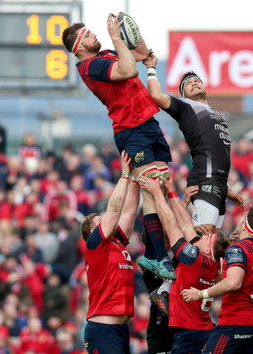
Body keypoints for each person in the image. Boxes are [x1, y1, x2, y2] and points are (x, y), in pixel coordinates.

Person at [62, 15, 174, 280]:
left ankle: (153, 253)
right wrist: (115, 36)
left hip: (148, 122)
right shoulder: (90, 66)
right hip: (130, 130)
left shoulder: (106, 54)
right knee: (151, 187)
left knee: (161, 184)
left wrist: (130, 28)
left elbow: (142, 54)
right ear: (79, 46)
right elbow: (129, 70)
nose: (94, 36)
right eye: (88, 35)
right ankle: (157, 256)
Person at [143, 54, 244, 234]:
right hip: (205, 181)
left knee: (213, 245)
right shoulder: (185, 106)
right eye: (189, 84)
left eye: (197, 81)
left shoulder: (216, 113)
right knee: (204, 240)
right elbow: (156, 95)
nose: (195, 83)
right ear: (183, 95)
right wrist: (151, 68)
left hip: (218, 183)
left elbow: (217, 153)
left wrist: (227, 190)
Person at [140, 175, 229, 353]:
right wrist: (173, 193)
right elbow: (186, 226)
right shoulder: (209, 261)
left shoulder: (193, 258)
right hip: (198, 328)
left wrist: (158, 193)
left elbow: (173, 226)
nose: (203, 236)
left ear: (207, 250)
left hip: (189, 333)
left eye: (207, 239)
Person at [182, 206, 253, 353]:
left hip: (235, 322)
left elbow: (233, 283)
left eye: (243, 217)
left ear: (245, 224)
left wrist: (200, 294)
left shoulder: (237, 249)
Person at [79, 151, 138, 354]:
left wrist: (137, 177)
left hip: (120, 328)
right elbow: (114, 210)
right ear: (93, 232)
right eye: (100, 221)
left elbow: (129, 211)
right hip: (103, 329)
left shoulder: (116, 242)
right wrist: (124, 175)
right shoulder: (95, 245)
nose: (105, 221)